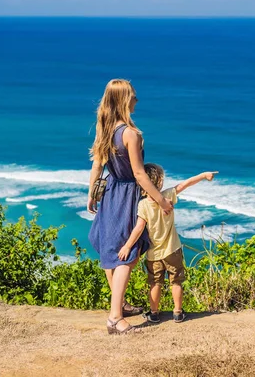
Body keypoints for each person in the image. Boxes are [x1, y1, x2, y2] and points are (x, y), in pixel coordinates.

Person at [87, 79, 173, 335]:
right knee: (128, 254)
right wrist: (161, 200)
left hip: (111, 192)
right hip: (126, 194)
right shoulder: (130, 134)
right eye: (133, 96)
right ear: (124, 100)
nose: (136, 100)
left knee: (111, 250)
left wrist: (92, 193)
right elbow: (139, 174)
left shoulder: (105, 128)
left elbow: (97, 165)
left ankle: (118, 305)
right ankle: (115, 318)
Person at [118, 163, 218, 323]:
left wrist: (127, 246)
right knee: (176, 282)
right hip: (173, 249)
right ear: (160, 182)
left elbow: (138, 229)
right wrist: (203, 175)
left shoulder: (143, 204)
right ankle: (178, 312)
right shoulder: (168, 196)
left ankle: (154, 313)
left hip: (154, 254)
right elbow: (185, 184)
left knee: (155, 283)